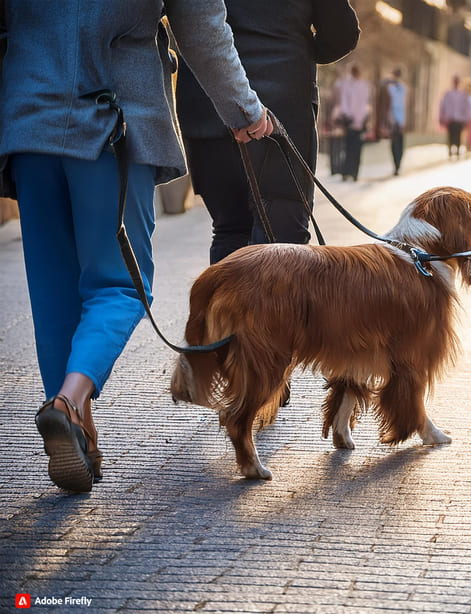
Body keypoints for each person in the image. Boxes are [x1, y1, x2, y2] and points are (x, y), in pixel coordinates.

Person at [0, 0, 272, 493]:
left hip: (27, 122)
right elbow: (201, 25)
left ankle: (75, 430)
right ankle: (67, 404)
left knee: (53, 293)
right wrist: (244, 110)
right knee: (120, 285)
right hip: (111, 120)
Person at [175, 1, 359, 263]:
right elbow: (341, 34)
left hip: (207, 102)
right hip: (283, 102)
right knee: (282, 241)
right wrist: (296, 48)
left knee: (229, 230)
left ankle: (227, 305)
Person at [338, 64, 371, 181]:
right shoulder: (347, 84)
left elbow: (365, 103)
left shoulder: (363, 85)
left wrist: (362, 119)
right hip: (349, 121)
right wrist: (348, 116)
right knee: (348, 148)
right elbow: (344, 102)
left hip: (360, 122)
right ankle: (346, 172)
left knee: (356, 149)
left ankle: (354, 173)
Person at [377, 67, 408, 176]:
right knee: (394, 144)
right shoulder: (390, 88)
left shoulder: (402, 88)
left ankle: (398, 164)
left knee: (399, 144)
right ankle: (396, 165)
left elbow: (402, 104)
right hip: (393, 118)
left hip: (401, 119)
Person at [439, 75, 471, 159]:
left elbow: (466, 107)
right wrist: (442, 117)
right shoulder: (448, 94)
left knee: (458, 135)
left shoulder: (463, 94)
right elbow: (443, 106)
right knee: (451, 135)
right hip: (450, 119)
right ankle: (450, 150)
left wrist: (466, 119)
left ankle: (457, 150)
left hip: (459, 119)